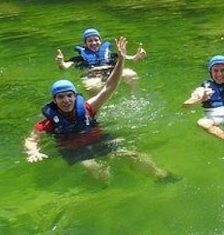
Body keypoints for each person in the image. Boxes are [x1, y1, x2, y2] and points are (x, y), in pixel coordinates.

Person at [26, 36, 173, 181]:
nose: (66, 100)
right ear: (54, 100)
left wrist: (121, 60)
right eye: (61, 97)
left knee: (133, 154)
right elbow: (31, 139)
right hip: (74, 149)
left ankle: (160, 175)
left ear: (75, 96)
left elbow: (109, 87)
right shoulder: (47, 123)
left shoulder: (88, 108)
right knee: (98, 172)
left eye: (69, 96)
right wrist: (33, 151)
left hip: (99, 140)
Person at [55, 28, 146, 92]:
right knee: (92, 86)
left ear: (101, 41)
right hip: (93, 75)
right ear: (85, 44)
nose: (94, 43)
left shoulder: (110, 54)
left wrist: (137, 56)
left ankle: (132, 97)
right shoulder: (80, 58)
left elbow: (130, 58)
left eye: (96, 40)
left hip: (111, 73)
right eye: (90, 41)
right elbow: (66, 66)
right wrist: (61, 63)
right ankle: (98, 107)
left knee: (131, 74)